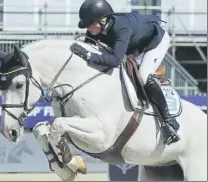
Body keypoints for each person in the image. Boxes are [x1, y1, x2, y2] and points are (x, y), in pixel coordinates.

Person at [70, 0, 180, 145]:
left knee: (143, 76)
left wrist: (88, 56)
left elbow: (115, 60)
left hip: (154, 42)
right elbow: (89, 52)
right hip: (133, 43)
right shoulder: (95, 30)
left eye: (90, 24)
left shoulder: (121, 28)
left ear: (102, 21)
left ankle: (169, 122)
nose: (88, 28)